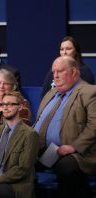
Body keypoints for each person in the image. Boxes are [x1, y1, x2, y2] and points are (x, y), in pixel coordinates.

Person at [35, 56, 96, 198]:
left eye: (60, 71)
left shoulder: (90, 92)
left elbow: (94, 125)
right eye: (53, 72)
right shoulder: (50, 93)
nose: (55, 76)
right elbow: (39, 121)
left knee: (66, 166)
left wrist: (74, 146)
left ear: (74, 72)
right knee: (17, 159)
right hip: (45, 151)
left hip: (77, 153)